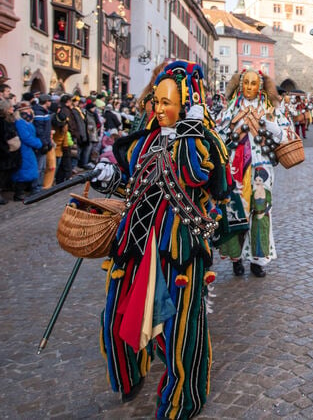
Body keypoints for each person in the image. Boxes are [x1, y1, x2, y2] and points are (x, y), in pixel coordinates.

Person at [93, 60, 231, 418]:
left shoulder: (201, 140)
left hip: (178, 245)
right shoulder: (145, 140)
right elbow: (129, 178)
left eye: (168, 102)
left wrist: (188, 128)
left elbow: (197, 175)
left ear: (184, 105)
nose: (159, 108)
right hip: (135, 242)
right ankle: (128, 375)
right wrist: (108, 171)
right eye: (156, 101)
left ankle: (183, 397)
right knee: (116, 314)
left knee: (181, 326)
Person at [216, 69, 288, 277]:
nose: (249, 87)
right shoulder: (231, 108)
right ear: (240, 85)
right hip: (236, 167)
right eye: (245, 82)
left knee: (260, 211)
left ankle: (258, 259)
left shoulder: (268, 108)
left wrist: (268, 125)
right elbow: (218, 135)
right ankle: (236, 259)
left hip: (261, 167)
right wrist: (235, 131)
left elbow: (284, 134)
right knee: (236, 212)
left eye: (253, 83)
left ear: (261, 86)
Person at [10, 101, 42, 202]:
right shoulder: (20, 122)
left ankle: (23, 190)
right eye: (26, 109)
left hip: (28, 149)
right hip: (24, 149)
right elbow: (26, 137)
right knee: (23, 170)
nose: (29, 110)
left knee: (28, 169)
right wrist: (37, 143)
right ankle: (19, 192)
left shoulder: (26, 121)